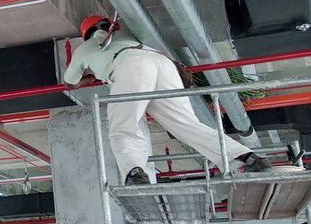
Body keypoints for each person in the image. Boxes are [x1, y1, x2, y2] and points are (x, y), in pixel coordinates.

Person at [64, 15, 273, 185]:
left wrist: (88, 78)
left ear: (86, 34)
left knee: (123, 127)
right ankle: (245, 157)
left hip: (130, 66)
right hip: (163, 63)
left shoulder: (85, 48)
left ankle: (135, 172)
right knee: (186, 124)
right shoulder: (125, 34)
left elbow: (70, 82)